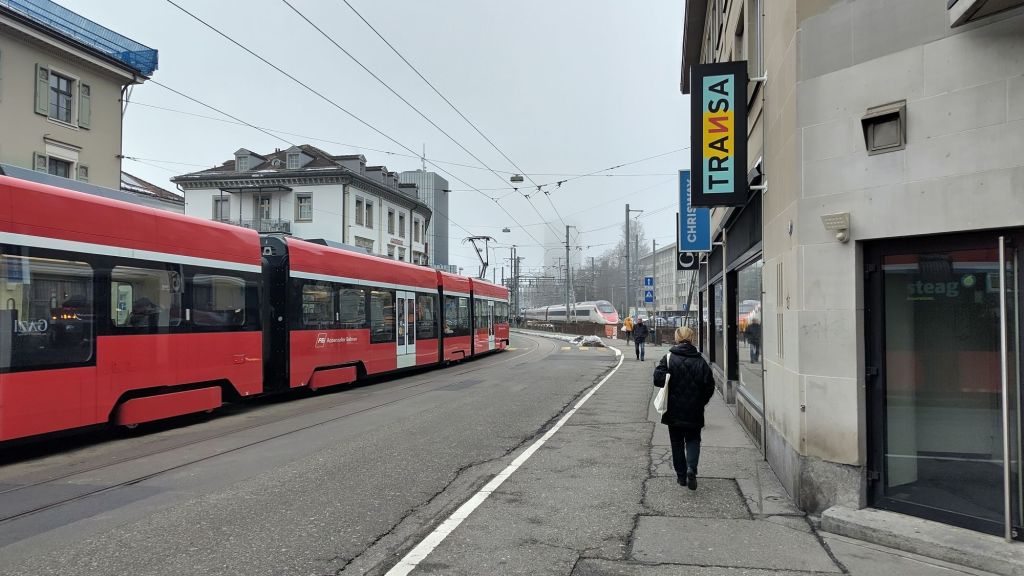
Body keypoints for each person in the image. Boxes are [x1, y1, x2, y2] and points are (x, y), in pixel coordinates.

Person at [653, 326, 715, 490]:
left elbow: (657, 379)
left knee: (677, 442)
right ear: (692, 338)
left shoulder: (668, 358)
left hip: (673, 409)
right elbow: (709, 385)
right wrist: (701, 401)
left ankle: (681, 476)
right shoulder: (700, 361)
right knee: (693, 439)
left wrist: (668, 376)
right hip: (694, 410)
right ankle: (691, 469)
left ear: (677, 338)